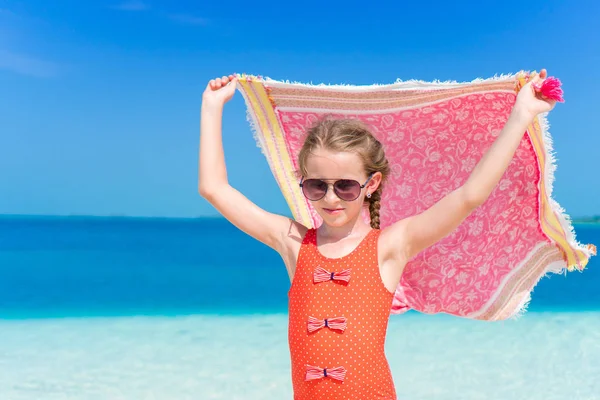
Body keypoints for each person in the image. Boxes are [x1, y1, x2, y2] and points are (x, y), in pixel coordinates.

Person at [198, 70, 556, 399]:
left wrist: (522, 115)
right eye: (316, 186)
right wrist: (212, 107)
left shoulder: (390, 247)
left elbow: (468, 196)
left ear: (371, 184)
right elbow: (214, 188)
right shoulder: (294, 243)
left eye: (345, 186)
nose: (331, 197)